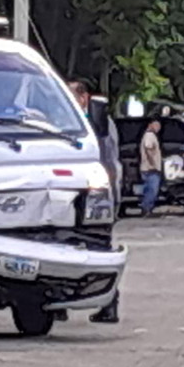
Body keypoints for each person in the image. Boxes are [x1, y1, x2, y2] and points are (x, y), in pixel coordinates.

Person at [69, 81, 121, 324]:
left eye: (71, 94)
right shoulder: (63, 120)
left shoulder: (99, 123)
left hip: (96, 194)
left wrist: (109, 196)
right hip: (70, 192)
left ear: (84, 97)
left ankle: (109, 303)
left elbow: (108, 158)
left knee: (99, 248)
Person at [140, 118, 163, 217]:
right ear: (150, 125)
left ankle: (147, 209)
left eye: (159, 125)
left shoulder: (151, 135)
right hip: (150, 169)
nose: (158, 127)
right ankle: (146, 209)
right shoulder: (149, 135)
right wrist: (154, 164)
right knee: (152, 190)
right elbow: (149, 149)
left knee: (150, 189)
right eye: (156, 125)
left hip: (150, 168)